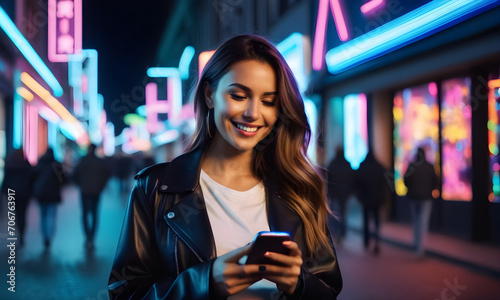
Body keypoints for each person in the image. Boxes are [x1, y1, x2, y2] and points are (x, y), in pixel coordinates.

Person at [108, 35, 342, 299]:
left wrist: (299, 284)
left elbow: (329, 289)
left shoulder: (298, 188)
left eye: (268, 101)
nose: (253, 113)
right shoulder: (155, 188)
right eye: (239, 95)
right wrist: (204, 283)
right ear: (209, 95)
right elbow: (125, 292)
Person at [73, 144, 111, 249]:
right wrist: (100, 187)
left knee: (85, 214)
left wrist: (80, 184)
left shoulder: (83, 160)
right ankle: (92, 237)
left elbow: (74, 174)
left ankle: (87, 236)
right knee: (94, 214)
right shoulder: (100, 162)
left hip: (84, 191)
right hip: (96, 192)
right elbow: (106, 175)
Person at [404, 146, 438, 257]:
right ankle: (420, 248)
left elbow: (406, 180)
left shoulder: (412, 166)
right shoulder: (429, 166)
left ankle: (417, 245)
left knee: (416, 221)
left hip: (414, 197)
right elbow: (435, 181)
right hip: (426, 198)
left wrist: (412, 189)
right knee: (423, 222)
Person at [0, 148, 36, 247]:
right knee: (22, 214)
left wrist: (4, 191)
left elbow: (6, 180)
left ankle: (19, 232)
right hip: (24, 194)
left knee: (15, 214)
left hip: (12, 194)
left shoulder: (10, 164)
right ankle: (21, 234)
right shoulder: (26, 164)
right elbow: (32, 179)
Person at [355, 150, 386, 254]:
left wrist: (359, 196)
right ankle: (377, 239)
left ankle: (366, 240)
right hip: (377, 198)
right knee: (377, 220)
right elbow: (385, 183)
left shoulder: (362, 167)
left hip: (366, 199)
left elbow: (358, 182)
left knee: (366, 220)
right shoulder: (380, 167)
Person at [32, 148, 65, 248]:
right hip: (53, 195)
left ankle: (45, 236)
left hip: (41, 195)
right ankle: (49, 237)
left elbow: (33, 178)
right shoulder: (56, 164)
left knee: (43, 216)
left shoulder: (40, 163)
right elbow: (63, 179)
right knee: (50, 216)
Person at [326, 146, 355, 245]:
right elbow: (352, 180)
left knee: (335, 214)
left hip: (334, 194)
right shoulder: (347, 164)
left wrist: (328, 193)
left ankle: (337, 233)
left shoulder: (332, 164)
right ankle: (342, 233)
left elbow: (328, 180)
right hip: (344, 194)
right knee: (343, 213)